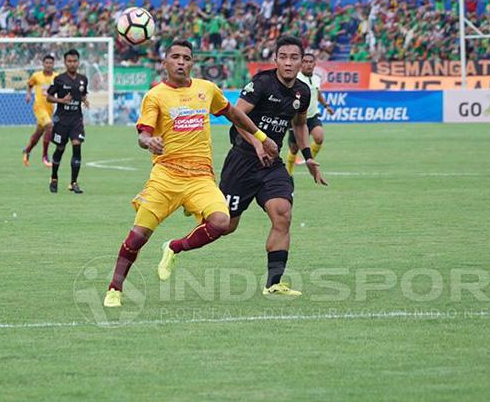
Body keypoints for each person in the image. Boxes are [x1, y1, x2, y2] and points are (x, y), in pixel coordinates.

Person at [103, 40, 279, 308]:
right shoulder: (156, 95)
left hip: (200, 177)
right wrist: (148, 141)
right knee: (138, 236)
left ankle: (174, 247)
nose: (181, 61)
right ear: (165, 63)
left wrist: (261, 137)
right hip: (166, 176)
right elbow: (143, 133)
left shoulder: (206, 89)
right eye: (175, 57)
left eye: (186, 57)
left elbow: (233, 113)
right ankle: (115, 288)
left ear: (192, 62)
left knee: (221, 223)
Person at [218, 35, 328, 297]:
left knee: (283, 213)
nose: (289, 63)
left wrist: (308, 156)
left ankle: (274, 283)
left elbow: (299, 125)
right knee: (225, 226)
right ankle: (178, 241)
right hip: (243, 160)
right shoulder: (261, 84)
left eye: (294, 58)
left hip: (271, 163)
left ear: (302, 62)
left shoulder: (302, 91)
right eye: (284, 57)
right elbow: (236, 118)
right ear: (275, 59)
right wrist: (258, 143)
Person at [46, 49, 88, 194]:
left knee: (77, 146)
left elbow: (82, 93)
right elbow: (49, 97)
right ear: (64, 63)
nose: (72, 64)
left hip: (76, 120)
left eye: (74, 61)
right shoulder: (59, 79)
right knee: (60, 148)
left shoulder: (83, 79)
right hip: (61, 121)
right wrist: (61, 100)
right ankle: (54, 178)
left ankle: (73, 182)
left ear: (78, 62)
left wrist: (85, 100)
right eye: (69, 61)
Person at [286, 52, 335, 172]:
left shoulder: (316, 78)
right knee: (294, 149)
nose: (308, 64)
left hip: (312, 116)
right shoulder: (295, 79)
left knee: (319, 137)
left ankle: (309, 160)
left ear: (314, 64)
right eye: (305, 62)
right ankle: (289, 173)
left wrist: (326, 105)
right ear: (301, 64)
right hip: (297, 118)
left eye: (310, 62)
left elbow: (317, 93)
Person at [22, 54, 57, 167]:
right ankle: (45, 156)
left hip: (50, 108)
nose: (48, 65)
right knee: (49, 125)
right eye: (46, 63)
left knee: (38, 133)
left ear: (53, 64)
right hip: (39, 107)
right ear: (43, 64)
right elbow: (30, 84)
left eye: (50, 63)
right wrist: (28, 94)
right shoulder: (36, 76)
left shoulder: (57, 77)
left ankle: (27, 151)